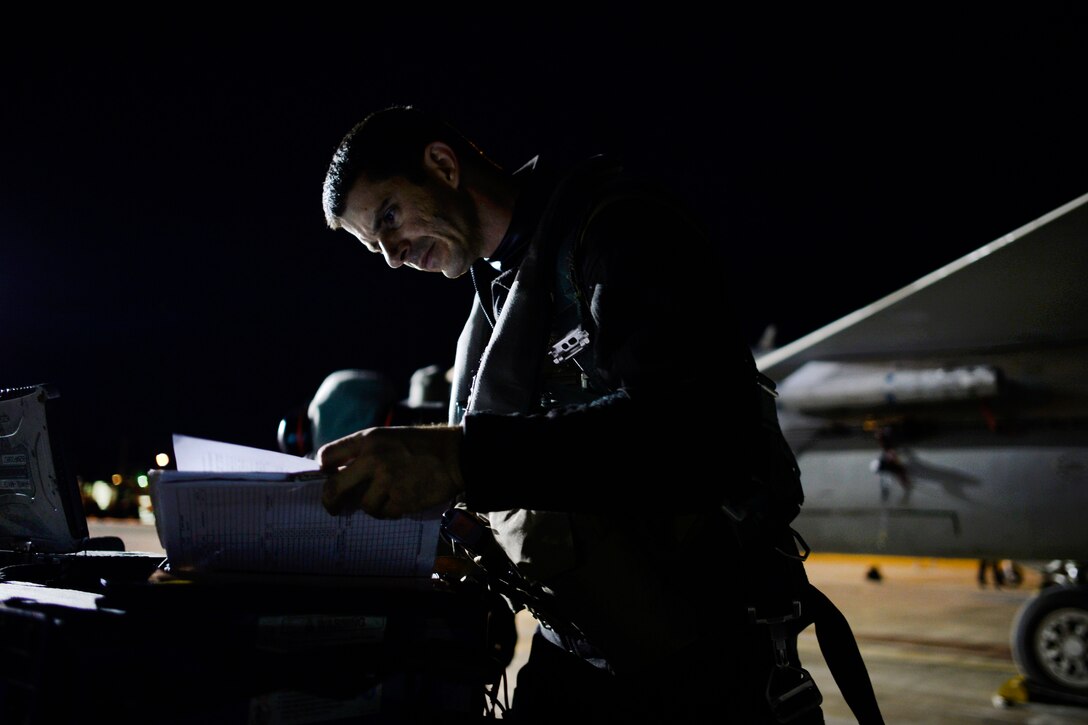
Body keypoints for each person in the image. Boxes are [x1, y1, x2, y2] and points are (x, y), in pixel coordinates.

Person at [316, 105, 879, 723]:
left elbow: (691, 432)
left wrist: (457, 457)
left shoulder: (620, 231)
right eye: (374, 245)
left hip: (703, 656)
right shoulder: (501, 298)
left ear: (443, 166)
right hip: (582, 649)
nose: (393, 257)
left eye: (389, 217)